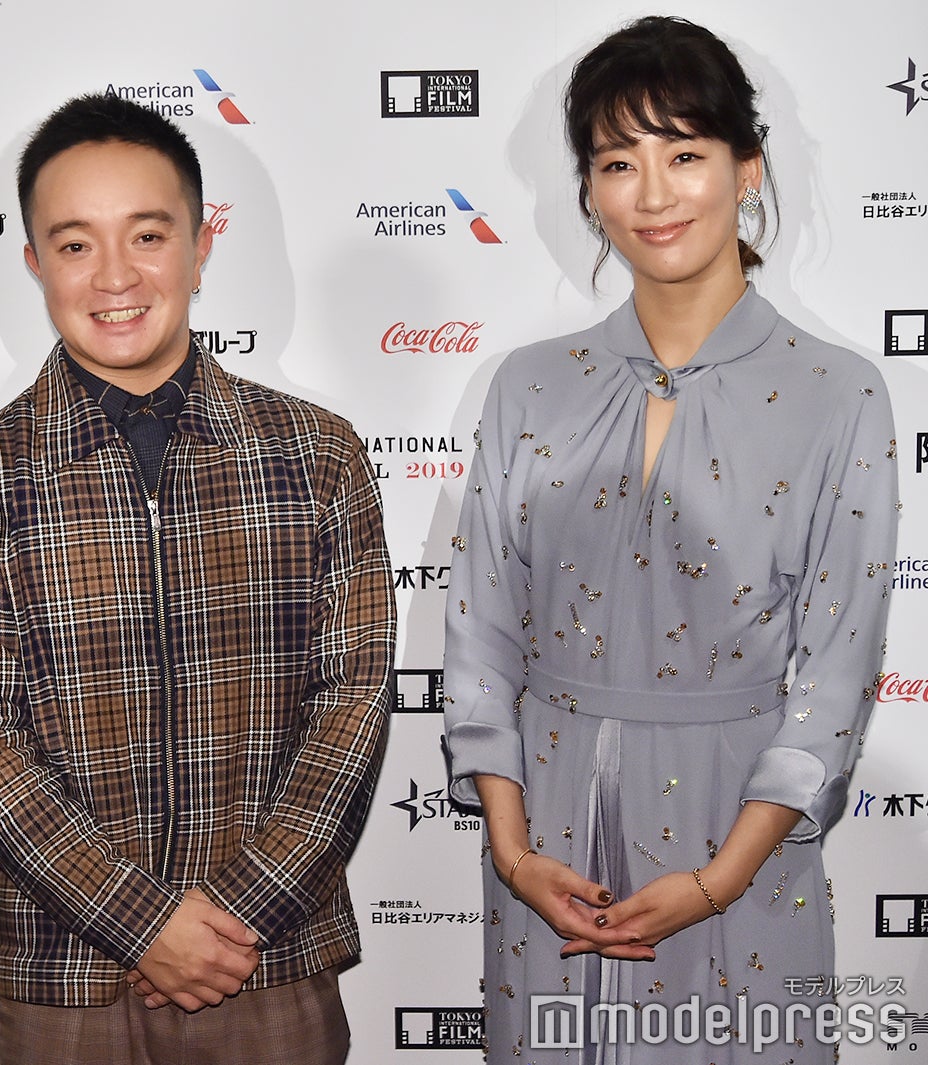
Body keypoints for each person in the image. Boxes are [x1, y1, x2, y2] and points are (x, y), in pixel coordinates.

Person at [443, 15, 897, 1064]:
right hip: (547, 845)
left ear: (748, 168)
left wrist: (720, 879)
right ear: (588, 190)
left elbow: (836, 674)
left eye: (684, 153)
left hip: (740, 842)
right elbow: (480, 639)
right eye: (618, 162)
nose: (652, 193)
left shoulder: (840, 394)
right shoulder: (528, 386)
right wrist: (513, 853)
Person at [0, 93, 395, 1065]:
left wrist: (236, 913)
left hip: (269, 959)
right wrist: (141, 923)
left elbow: (352, 701)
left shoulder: (316, 455)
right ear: (34, 262)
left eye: (147, 235)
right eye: (75, 244)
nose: (115, 276)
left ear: (202, 246)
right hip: (65, 976)